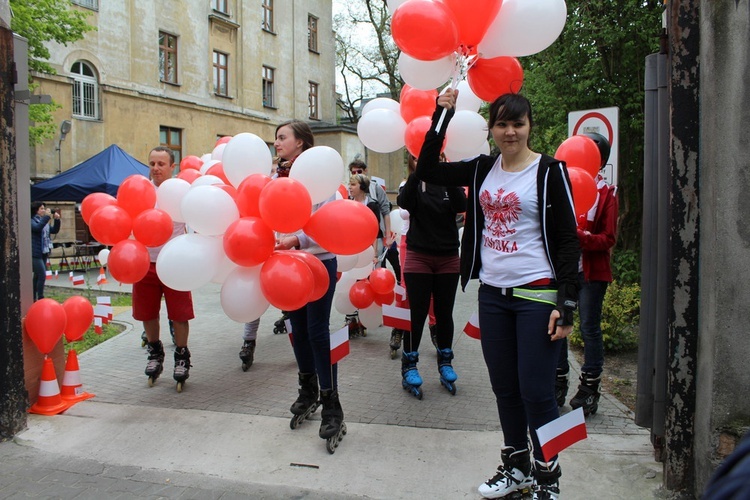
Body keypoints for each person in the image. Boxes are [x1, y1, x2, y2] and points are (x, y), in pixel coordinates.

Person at [416, 90, 580, 500]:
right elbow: (427, 170)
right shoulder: (481, 169)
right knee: (504, 389)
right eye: (502, 124)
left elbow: (567, 241)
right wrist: (443, 113)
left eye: (517, 124)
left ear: (530, 127)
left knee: (538, 392)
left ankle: (549, 479)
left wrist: (568, 304)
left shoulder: (549, 171)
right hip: (493, 294)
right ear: (491, 128)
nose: (510, 132)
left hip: (537, 295)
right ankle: (517, 466)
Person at [273, 119, 345, 451]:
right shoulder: (277, 178)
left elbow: (326, 221)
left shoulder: (318, 173)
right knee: (296, 329)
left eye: (282, 137)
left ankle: (332, 402)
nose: (277, 142)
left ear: (300, 142)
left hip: (318, 262)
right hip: (286, 266)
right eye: (276, 138)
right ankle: (308, 389)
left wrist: (295, 240)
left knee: (317, 331)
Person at [556, 132, 618, 416]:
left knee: (589, 328)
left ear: (600, 161)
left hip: (592, 273)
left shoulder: (607, 194)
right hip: (565, 270)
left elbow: (608, 238)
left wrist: (581, 238)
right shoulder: (563, 186)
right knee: (558, 325)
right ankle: (556, 380)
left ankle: (590, 387)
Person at [396, 155, 466, 398]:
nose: (425, 159)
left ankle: (445, 361)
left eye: (432, 155)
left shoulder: (448, 182)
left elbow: (461, 205)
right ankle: (410, 365)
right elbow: (404, 203)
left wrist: (449, 174)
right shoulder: (412, 184)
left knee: (444, 313)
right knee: (417, 313)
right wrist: (419, 173)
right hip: (419, 256)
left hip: (447, 256)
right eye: (418, 156)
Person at [137, 146, 195, 391]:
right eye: (152, 163)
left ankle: (181, 355)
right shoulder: (140, 191)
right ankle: (155, 352)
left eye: (161, 164)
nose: (155, 169)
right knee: (147, 313)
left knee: (179, 314)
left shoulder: (182, 192)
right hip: (143, 262)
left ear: (173, 167)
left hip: (174, 262)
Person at [31, 202, 60, 301]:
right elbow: (37, 228)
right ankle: (40, 297)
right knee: (42, 274)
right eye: (42, 208)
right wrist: (47, 217)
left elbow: (54, 230)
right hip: (35, 252)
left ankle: (33, 297)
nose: (44, 210)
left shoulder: (44, 221)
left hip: (44, 251)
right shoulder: (32, 220)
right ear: (36, 210)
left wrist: (57, 220)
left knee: (37, 275)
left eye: (44, 208)